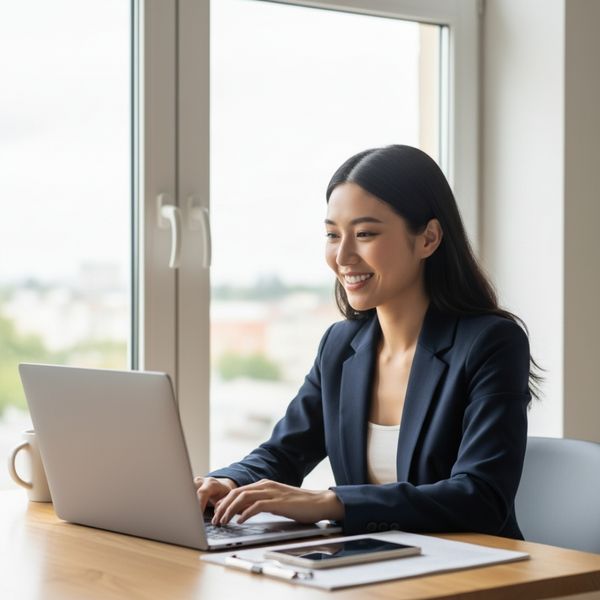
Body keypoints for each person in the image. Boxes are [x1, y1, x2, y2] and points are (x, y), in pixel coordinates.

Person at [195, 144, 542, 539]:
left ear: (428, 238)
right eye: (332, 234)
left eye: (364, 234)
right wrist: (228, 482)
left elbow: (480, 497)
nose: (342, 255)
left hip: (477, 572)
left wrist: (332, 502)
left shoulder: (491, 343)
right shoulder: (341, 345)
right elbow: (283, 453)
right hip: (375, 568)